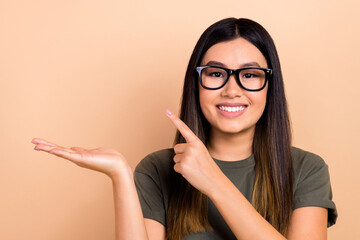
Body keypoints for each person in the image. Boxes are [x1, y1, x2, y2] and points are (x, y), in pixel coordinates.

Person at [32, 18, 337, 240]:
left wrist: (213, 181)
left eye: (250, 75)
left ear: (270, 85)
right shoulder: (157, 169)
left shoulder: (307, 169)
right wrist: (119, 174)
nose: (232, 90)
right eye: (216, 73)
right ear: (197, 84)